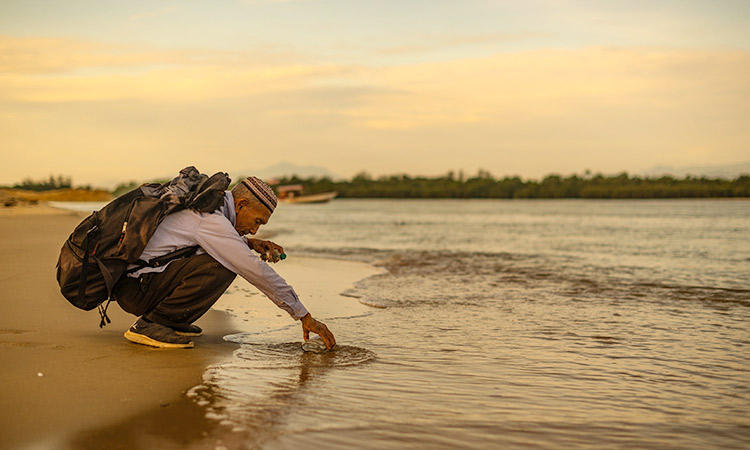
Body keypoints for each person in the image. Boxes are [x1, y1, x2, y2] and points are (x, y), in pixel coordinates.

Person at [111, 176, 335, 349]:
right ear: (242, 204)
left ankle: (170, 320)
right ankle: (151, 324)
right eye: (257, 221)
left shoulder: (211, 208)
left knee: (225, 257)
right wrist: (304, 315)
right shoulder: (211, 219)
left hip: (140, 282)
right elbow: (255, 270)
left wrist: (249, 242)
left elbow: (201, 241)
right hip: (137, 287)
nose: (255, 229)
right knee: (225, 265)